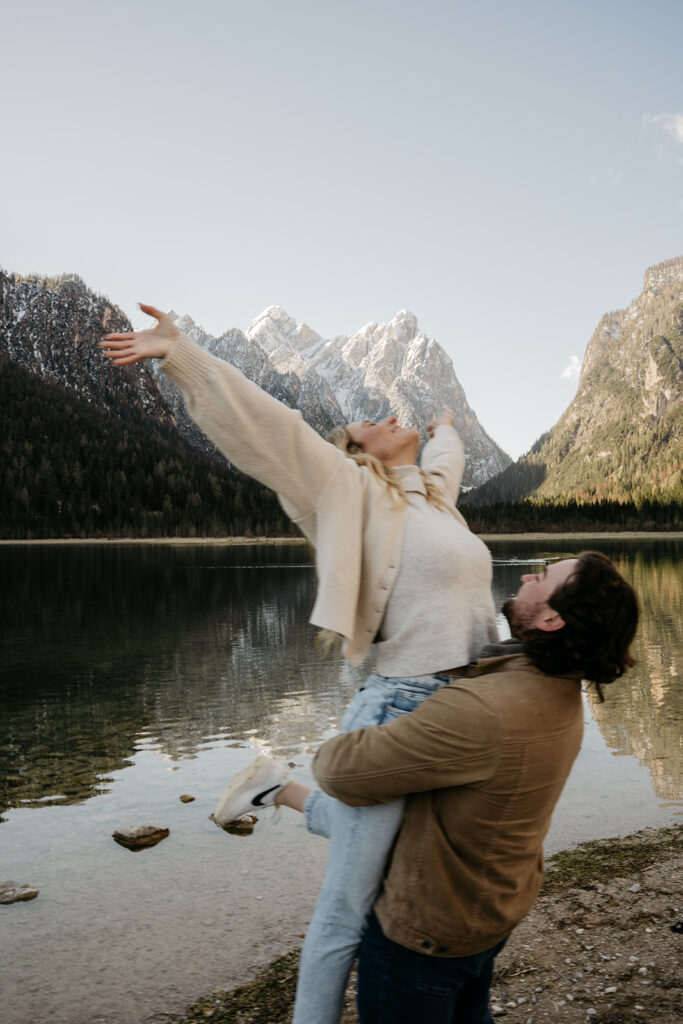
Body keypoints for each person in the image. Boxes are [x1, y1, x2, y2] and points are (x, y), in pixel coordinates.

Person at [100, 304, 499, 1024]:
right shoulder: (345, 490)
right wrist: (183, 356)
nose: (381, 413)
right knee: (348, 906)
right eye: (368, 422)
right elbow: (269, 428)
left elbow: (446, 460)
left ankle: (275, 789)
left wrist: (444, 430)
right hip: (401, 709)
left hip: (467, 708)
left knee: (416, 862)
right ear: (359, 451)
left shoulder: (438, 502)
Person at [303, 551, 639, 1024]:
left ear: (550, 619)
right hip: (487, 913)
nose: (526, 575)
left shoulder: (485, 710)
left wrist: (383, 708)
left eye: (542, 577)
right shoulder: (560, 688)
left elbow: (338, 771)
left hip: (426, 934)